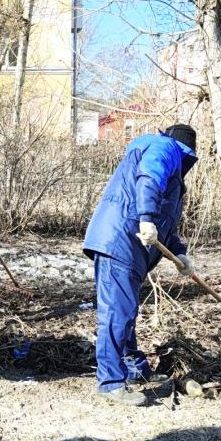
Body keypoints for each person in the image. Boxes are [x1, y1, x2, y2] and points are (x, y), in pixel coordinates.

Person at [82, 124, 198, 406]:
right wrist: (145, 218)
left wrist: (180, 254)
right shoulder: (164, 147)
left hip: (131, 247)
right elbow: (149, 178)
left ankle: (135, 370)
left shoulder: (172, 172)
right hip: (119, 239)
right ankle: (111, 383)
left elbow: (164, 225)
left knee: (127, 310)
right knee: (117, 313)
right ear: (187, 150)